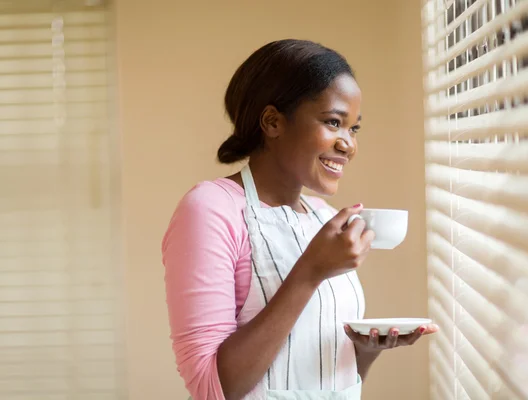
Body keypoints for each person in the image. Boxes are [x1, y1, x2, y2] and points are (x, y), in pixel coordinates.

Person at [162, 39, 438, 400]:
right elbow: (213, 387)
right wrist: (310, 271)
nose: (348, 145)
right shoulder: (210, 209)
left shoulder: (322, 218)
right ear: (273, 122)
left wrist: (364, 352)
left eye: (353, 129)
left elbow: (313, 380)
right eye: (334, 122)